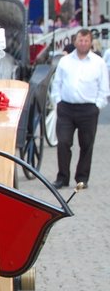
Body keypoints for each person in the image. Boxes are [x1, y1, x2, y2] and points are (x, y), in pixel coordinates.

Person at [50, 28, 110, 189]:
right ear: (75, 41)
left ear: (90, 42)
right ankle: (62, 177)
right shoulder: (65, 61)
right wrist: (58, 101)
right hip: (66, 108)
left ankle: (82, 178)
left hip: (88, 109)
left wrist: (97, 106)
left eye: (86, 40)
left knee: (86, 144)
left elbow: (104, 88)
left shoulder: (99, 62)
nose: (83, 43)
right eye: (80, 40)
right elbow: (57, 83)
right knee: (63, 142)